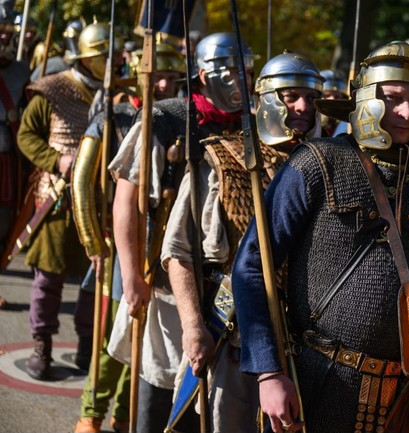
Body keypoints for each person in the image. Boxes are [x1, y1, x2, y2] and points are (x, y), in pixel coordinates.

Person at [232, 40, 409, 433]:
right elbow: (252, 266)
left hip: (407, 394)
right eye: (393, 98)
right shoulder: (317, 162)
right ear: (365, 99)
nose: (406, 113)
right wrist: (269, 372)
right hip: (318, 382)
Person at [161, 51, 324, 433]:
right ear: (267, 99)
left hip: (306, 344)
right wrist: (193, 326)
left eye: (311, 98)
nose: (304, 107)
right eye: (291, 97)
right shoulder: (221, 159)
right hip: (232, 336)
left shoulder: (330, 164)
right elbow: (179, 251)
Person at [106, 32, 254, 433]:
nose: (242, 81)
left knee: (209, 399)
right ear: (204, 75)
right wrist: (131, 275)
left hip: (227, 291)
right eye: (232, 72)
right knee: (162, 386)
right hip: (167, 279)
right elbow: (128, 201)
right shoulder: (166, 117)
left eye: (247, 71)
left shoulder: (255, 125)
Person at [71, 39, 186, 433]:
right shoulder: (114, 117)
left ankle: (124, 414)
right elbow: (82, 183)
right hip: (120, 244)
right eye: (158, 77)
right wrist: (94, 242)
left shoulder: (178, 121)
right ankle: (91, 413)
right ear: (141, 78)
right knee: (115, 336)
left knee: (148, 345)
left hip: (165, 247)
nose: (165, 86)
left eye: (172, 78)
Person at [16, 20, 112, 381]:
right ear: (86, 57)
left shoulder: (118, 93)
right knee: (49, 277)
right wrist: (57, 161)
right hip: (57, 199)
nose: (112, 60)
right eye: (104, 54)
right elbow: (27, 135)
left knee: (93, 277)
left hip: (101, 201)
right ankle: (41, 343)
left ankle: (87, 342)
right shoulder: (52, 89)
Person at [0, 6, 29, 309]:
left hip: (6, 160)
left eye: (9, 30)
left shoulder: (22, 71)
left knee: (0, 225)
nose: (5, 35)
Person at [319, 69, 348, 137]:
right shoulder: (308, 121)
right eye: (327, 95)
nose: (332, 99)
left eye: (337, 96)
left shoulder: (347, 125)